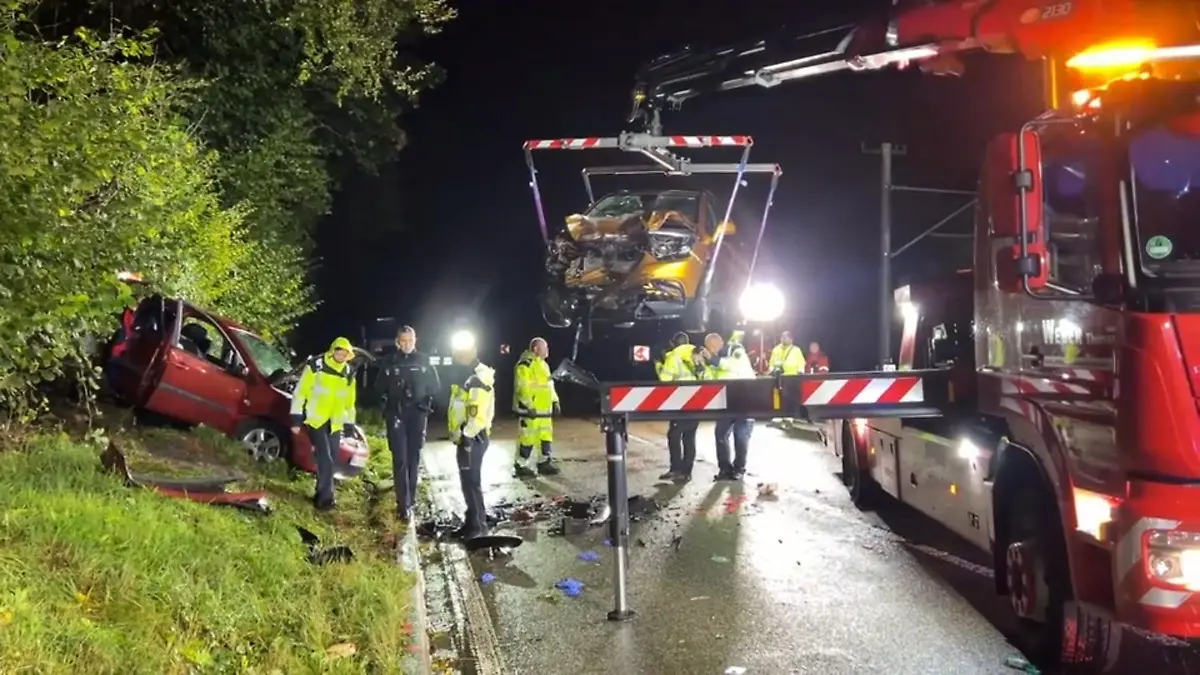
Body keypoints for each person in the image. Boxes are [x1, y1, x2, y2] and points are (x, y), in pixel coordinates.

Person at [375, 325, 441, 521]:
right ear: (397, 341)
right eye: (403, 341)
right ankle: (402, 505)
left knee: (413, 459)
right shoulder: (388, 362)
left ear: (415, 340)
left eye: (410, 341)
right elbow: (378, 388)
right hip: (396, 416)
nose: (406, 344)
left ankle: (410, 500)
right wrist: (386, 403)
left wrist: (424, 400)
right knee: (400, 459)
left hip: (417, 415)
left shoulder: (424, 360)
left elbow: (436, 387)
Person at [290, 337, 358, 511]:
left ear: (349, 354)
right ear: (332, 350)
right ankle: (327, 500)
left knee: (331, 460)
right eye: (339, 351)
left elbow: (349, 402)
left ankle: (319, 494)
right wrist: (296, 418)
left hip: (335, 423)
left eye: (345, 352)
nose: (342, 355)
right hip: (316, 420)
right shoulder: (316, 366)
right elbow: (301, 392)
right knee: (326, 459)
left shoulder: (348, 373)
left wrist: (349, 425)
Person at [447, 337, 496, 539]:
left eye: (465, 351)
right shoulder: (464, 374)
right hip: (466, 438)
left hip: (473, 438)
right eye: (458, 351)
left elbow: (478, 414)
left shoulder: (478, 376)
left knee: (472, 481)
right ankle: (472, 520)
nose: (461, 355)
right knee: (467, 481)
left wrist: (467, 435)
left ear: (474, 350)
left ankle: (478, 527)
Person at [704, 332, 756, 481]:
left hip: (745, 399)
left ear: (717, 343)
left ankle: (739, 469)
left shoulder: (735, 350)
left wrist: (713, 359)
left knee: (741, 437)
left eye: (711, 348)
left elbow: (732, 366)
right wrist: (703, 364)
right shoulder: (716, 359)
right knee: (720, 435)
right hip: (725, 401)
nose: (710, 351)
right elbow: (712, 375)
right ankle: (725, 470)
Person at [657, 331, 705, 483]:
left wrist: (659, 367)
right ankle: (686, 472)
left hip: (679, 402)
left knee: (674, 435)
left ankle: (676, 469)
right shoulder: (698, 353)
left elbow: (665, 380)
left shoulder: (673, 355)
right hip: (697, 401)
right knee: (689, 437)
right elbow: (706, 376)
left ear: (673, 343)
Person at [513, 337, 560, 477]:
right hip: (531, 412)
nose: (547, 351)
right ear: (535, 349)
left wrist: (555, 401)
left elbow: (549, 386)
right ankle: (521, 466)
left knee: (545, 438)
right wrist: (529, 406)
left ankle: (544, 463)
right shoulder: (525, 365)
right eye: (545, 347)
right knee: (527, 439)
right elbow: (522, 388)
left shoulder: (544, 365)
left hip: (544, 411)